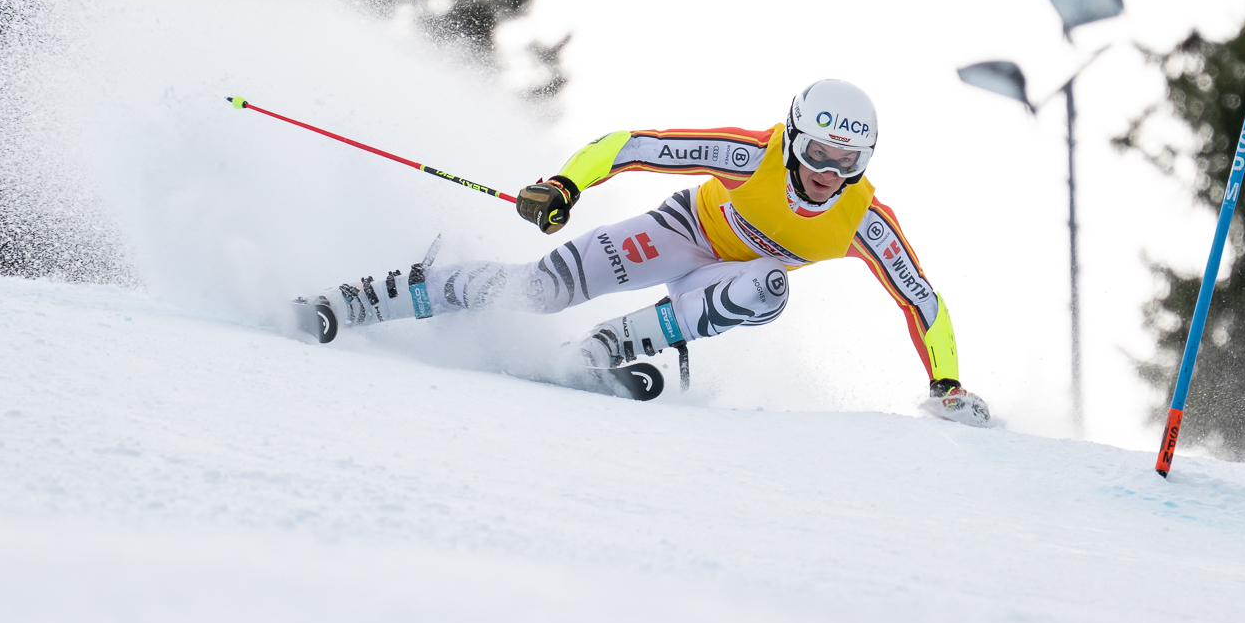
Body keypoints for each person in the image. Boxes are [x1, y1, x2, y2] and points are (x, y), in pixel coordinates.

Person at [309, 79, 986, 419]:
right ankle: (371, 298)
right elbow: (634, 145)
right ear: (793, 136)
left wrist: (946, 383)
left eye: (846, 161)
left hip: (726, 281)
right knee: (537, 291)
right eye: (815, 152)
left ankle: (609, 346)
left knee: (770, 288)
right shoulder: (751, 154)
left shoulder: (865, 218)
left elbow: (922, 300)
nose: (825, 173)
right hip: (679, 231)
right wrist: (565, 183)